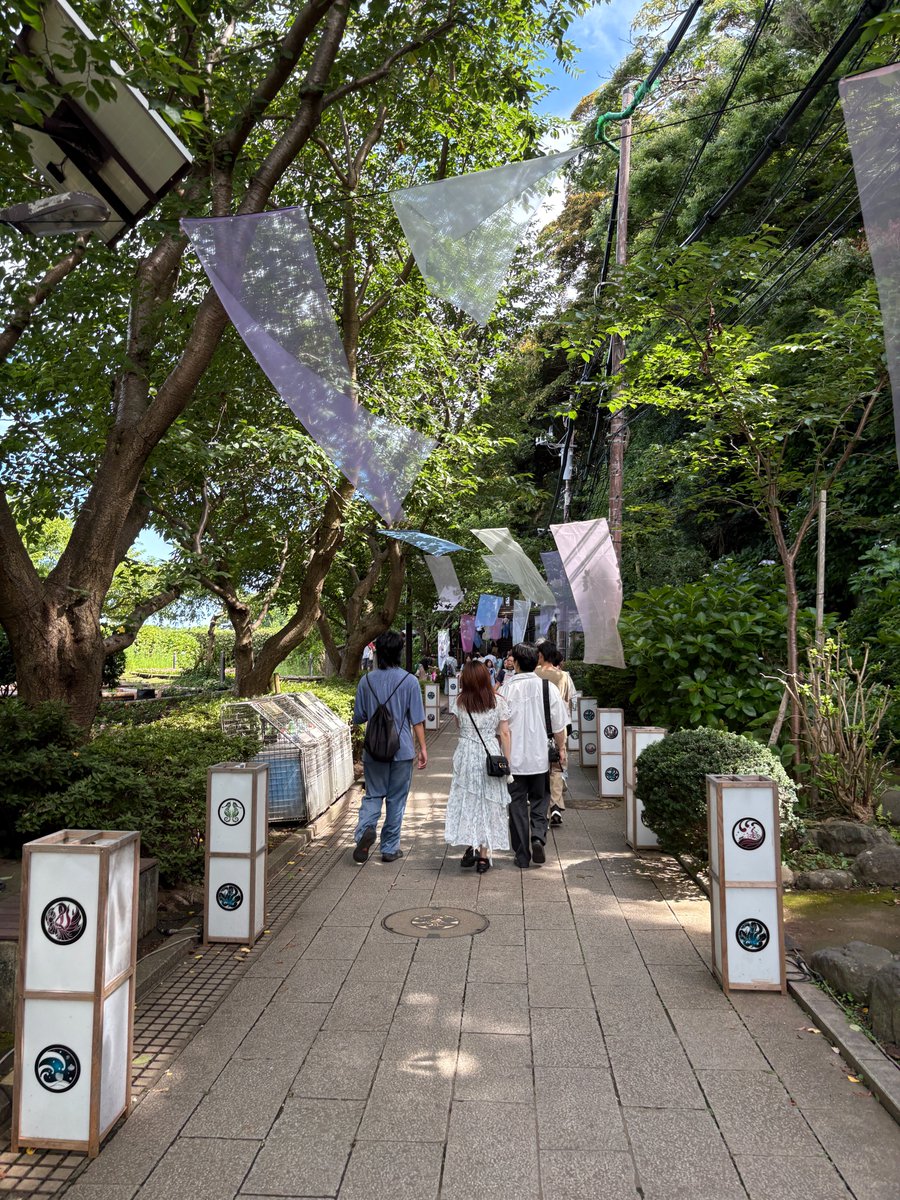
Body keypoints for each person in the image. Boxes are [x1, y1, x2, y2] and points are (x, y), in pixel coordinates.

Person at [352, 630, 427, 864]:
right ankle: (389, 848)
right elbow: (417, 719)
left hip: (374, 749)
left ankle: (365, 830)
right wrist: (423, 748)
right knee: (396, 799)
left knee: (373, 794)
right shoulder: (410, 681)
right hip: (402, 749)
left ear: (378, 653)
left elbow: (359, 716)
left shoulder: (366, 681)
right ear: (399, 652)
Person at [500, 643, 568, 868]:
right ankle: (538, 835)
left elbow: (500, 727)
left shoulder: (507, 690)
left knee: (517, 804)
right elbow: (559, 726)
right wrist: (562, 748)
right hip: (540, 757)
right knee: (540, 798)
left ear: (517, 663)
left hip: (514, 759)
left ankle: (522, 854)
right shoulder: (548, 688)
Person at [444, 661, 512, 874]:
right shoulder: (498, 701)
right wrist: (506, 763)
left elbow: (459, 726)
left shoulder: (459, 702)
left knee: (468, 800)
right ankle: (483, 857)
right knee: (489, 803)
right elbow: (505, 733)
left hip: (466, 755)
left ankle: (470, 845)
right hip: (489, 754)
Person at [536, 642, 575, 826]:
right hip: (558, 726)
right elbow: (566, 701)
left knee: (540, 767)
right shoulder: (563, 676)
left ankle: (540, 806)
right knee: (557, 767)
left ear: (542, 655)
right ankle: (556, 806)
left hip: (537, 727)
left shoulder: (533, 674)